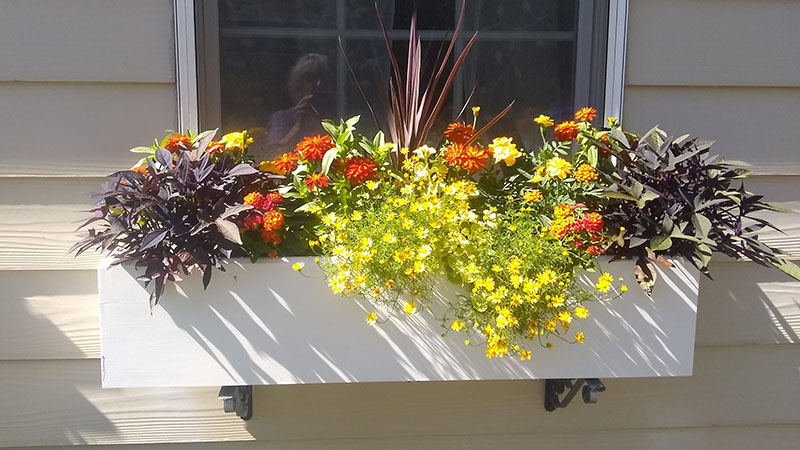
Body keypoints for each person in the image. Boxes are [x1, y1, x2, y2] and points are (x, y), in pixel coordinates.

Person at [265, 53, 333, 158]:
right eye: (309, 79)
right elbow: (273, 154)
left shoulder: (335, 118)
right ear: (298, 84)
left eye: (321, 79)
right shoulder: (282, 118)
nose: (316, 85)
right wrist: (299, 124)